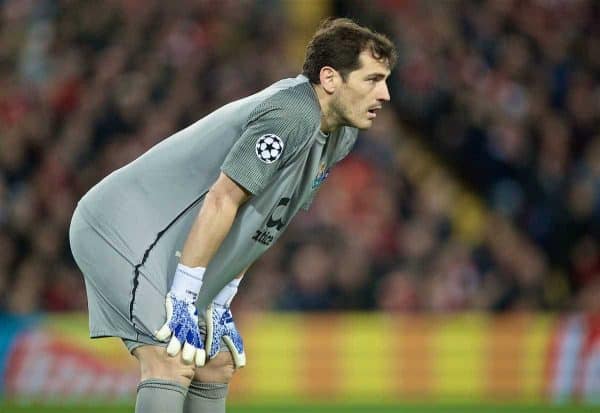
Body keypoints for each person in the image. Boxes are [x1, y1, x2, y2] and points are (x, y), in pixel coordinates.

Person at [69, 17, 396, 413]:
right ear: (330, 79)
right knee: (170, 358)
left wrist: (222, 299)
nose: (385, 94)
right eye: (373, 79)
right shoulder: (293, 113)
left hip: (169, 245)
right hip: (119, 230)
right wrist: (186, 299)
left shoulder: (340, 135)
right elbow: (223, 198)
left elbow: (264, 221)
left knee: (215, 362)